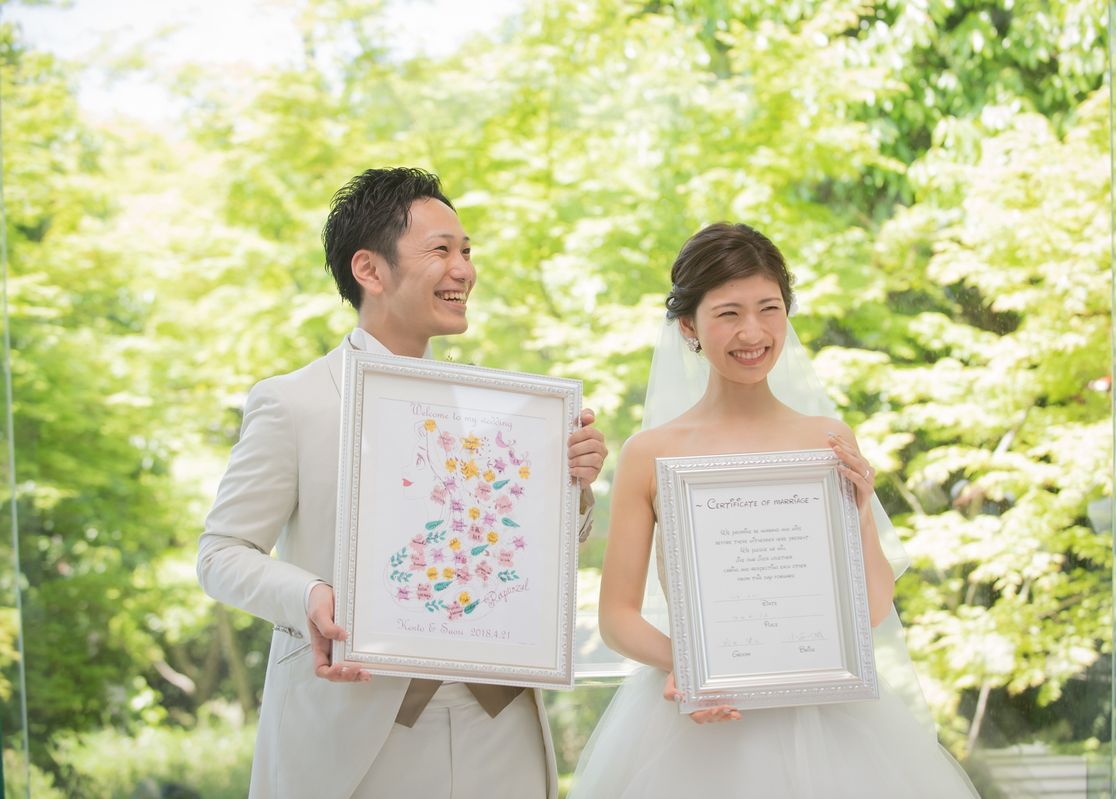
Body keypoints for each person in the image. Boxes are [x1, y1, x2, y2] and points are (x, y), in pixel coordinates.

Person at [197, 167, 608, 799]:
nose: (463, 270)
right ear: (369, 269)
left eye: (467, 251)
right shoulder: (294, 401)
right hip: (354, 731)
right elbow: (221, 554)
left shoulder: (500, 409)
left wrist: (574, 488)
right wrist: (309, 595)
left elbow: (526, 553)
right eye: (441, 250)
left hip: (502, 724)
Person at [567, 222, 978, 798]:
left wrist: (861, 512)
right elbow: (617, 618)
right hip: (694, 731)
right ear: (688, 326)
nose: (753, 332)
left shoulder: (828, 440)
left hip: (827, 720)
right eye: (728, 313)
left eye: (769, 309)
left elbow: (872, 608)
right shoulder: (649, 453)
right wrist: (694, 668)